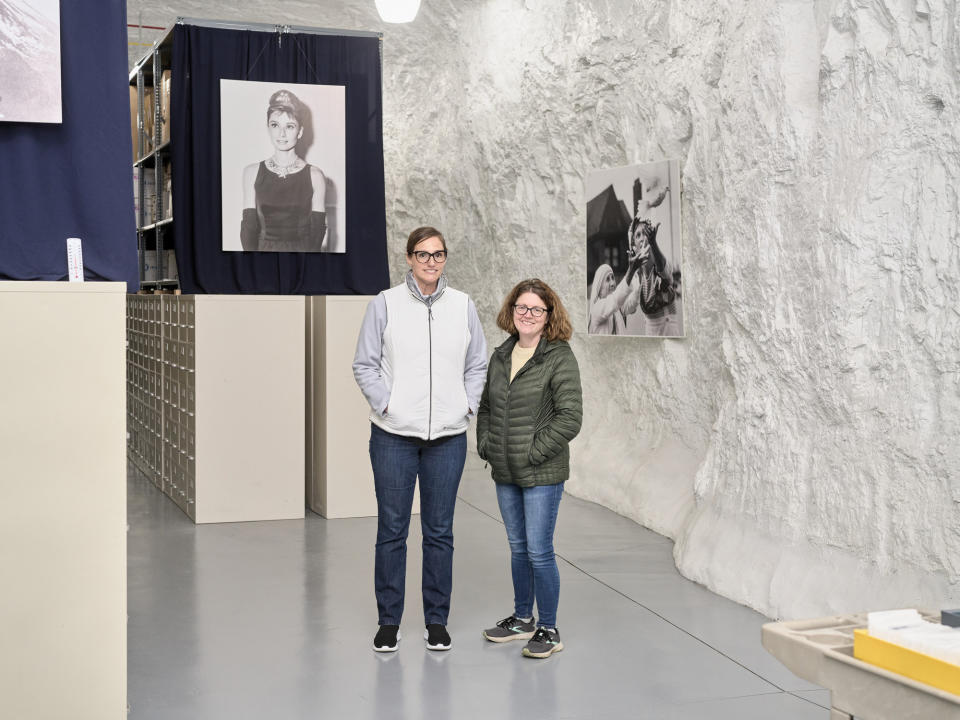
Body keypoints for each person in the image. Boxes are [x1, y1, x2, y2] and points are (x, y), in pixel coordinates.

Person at [352, 226, 487, 653]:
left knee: (439, 531)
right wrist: (387, 404)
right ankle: (389, 621)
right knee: (392, 530)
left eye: (439, 254)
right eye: (423, 254)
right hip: (393, 436)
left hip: (447, 438)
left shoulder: (463, 306)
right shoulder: (385, 303)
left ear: (445, 259)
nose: (431, 261)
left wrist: (467, 406)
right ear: (409, 258)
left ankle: (436, 621)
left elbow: (477, 364)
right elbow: (364, 363)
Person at [477, 279, 583, 658]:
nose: (527, 315)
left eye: (536, 309)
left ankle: (549, 628)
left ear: (548, 315)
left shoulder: (558, 356)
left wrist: (532, 452)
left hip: (541, 472)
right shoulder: (502, 355)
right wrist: (487, 444)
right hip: (505, 471)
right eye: (521, 307)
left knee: (539, 551)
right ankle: (523, 619)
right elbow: (487, 407)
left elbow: (570, 418)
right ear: (512, 311)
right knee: (518, 548)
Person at [240, 89, 327, 252]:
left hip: (302, 255)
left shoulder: (315, 176)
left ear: (300, 131)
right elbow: (248, 229)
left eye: (290, 126)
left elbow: (317, 234)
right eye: (275, 125)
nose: (281, 133)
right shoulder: (251, 172)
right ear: (268, 128)